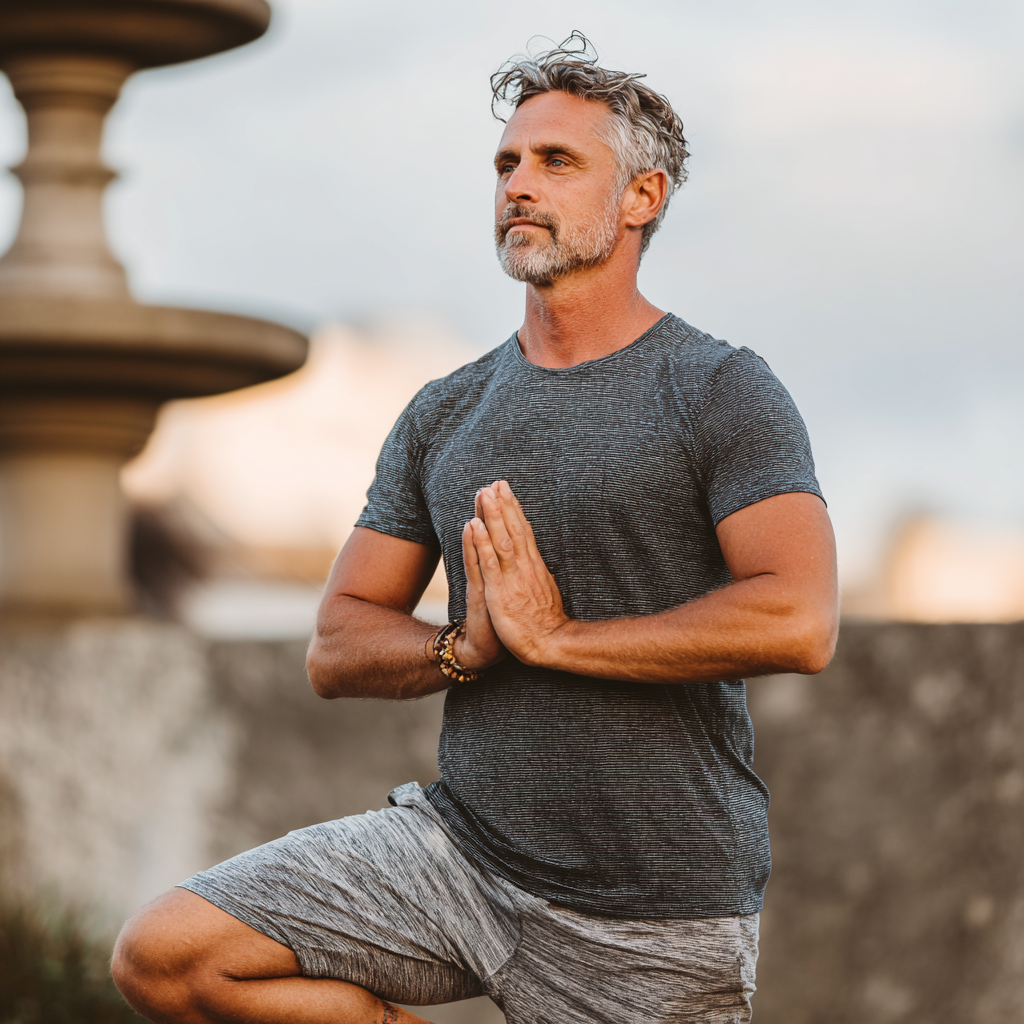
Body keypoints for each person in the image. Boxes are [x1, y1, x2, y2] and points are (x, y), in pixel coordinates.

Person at [112, 33, 838, 1024]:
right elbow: (339, 640)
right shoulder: (445, 410)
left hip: (653, 913)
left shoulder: (717, 388)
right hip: (455, 857)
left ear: (642, 198)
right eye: (506, 163)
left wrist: (560, 639)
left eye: (556, 162)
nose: (518, 186)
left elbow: (797, 618)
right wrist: (466, 644)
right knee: (168, 956)